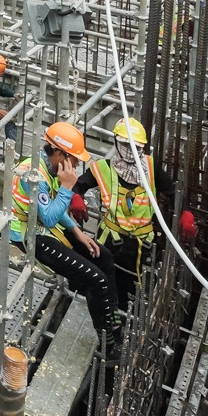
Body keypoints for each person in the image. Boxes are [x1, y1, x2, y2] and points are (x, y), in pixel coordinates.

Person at [10, 121, 117, 335]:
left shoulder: (50, 167)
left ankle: (111, 316)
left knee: (103, 256)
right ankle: (108, 339)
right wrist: (67, 187)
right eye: (74, 158)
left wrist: (77, 231)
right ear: (59, 153)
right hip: (28, 234)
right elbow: (50, 218)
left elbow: (53, 208)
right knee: (95, 279)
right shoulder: (33, 175)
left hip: (44, 226)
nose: (77, 164)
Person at [73, 117, 174, 312]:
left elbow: (173, 192)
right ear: (116, 142)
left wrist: (186, 214)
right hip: (110, 243)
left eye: (136, 146)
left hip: (141, 248)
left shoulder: (150, 169)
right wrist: (75, 198)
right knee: (104, 287)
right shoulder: (103, 168)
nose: (131, 150)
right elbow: (78, 185)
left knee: (134, 294)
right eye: (126, 145)